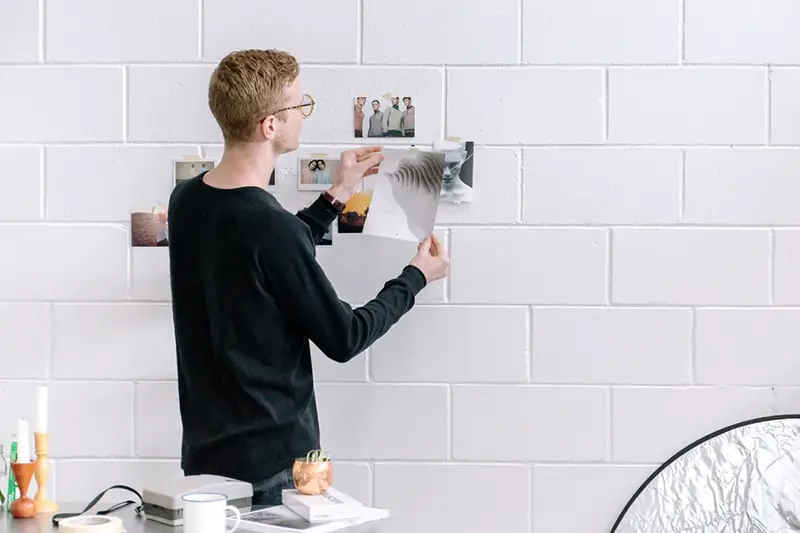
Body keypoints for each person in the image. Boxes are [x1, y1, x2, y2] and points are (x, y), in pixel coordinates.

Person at [166, 48, 450, 507]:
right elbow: (345, 337)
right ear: (270, 125)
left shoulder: (185, 202)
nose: (304, 114)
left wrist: (337, 193)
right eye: (299, 105)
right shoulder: (270, 227)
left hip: (203, 464)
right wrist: (416, 276)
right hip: (273, 472)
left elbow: (269, 254)